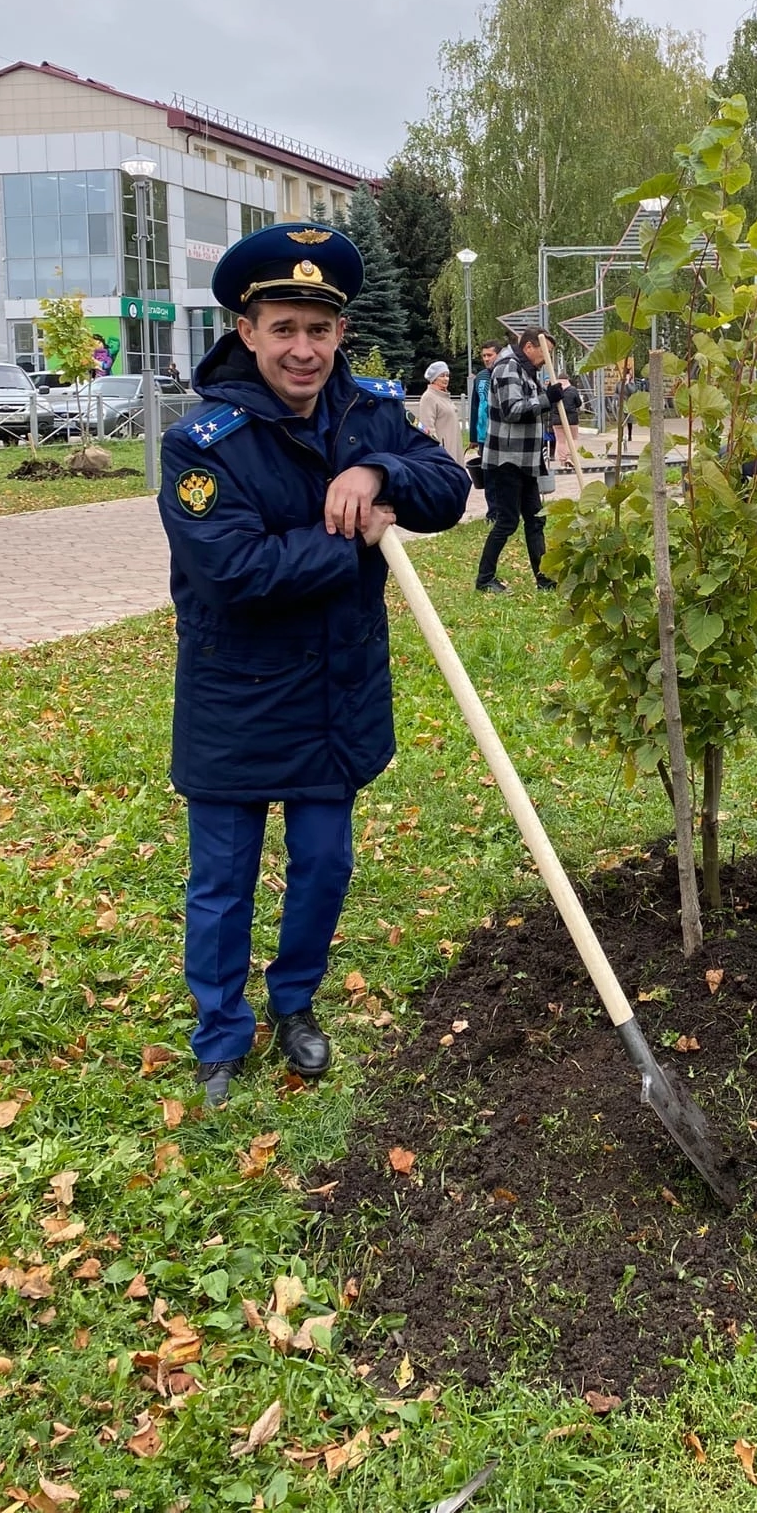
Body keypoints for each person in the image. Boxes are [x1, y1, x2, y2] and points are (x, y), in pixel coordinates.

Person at [158, 223, 470, 1108]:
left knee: (325, 864)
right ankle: (219, 1035)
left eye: (319, 330)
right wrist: (356, 545)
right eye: (284, 328)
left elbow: (446, 487)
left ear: (340, 335)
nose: (304, 350)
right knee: (222, 881)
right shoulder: (201, 445)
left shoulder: (368, 409)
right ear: (247, 331)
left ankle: (294, 1002)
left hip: (338, 691)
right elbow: (236, 572)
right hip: (238, 696)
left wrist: (375, 470)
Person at [475, 328, 568, 595]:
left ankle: (545, 580)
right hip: (507, 458)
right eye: (545, 354)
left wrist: (546, 396)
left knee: (536, 519)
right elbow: (512, 410)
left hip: (525, 459)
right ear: (529, 347)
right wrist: (546, 399)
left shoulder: (526, 370)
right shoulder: (508, 367)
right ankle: (485, 579)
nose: (546, 360)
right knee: (507, 520)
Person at [417, 360, 462, 463]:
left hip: (453, 446)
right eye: (442, 375)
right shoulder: (429, 397)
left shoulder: (444, 395)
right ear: (433, 378)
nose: (446, 379)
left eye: (447, 375)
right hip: (443, 452)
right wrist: (438, 450)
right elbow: (427, 428)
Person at [471, 340, 500, 453]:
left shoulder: (505, 374)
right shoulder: (480, 377)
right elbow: (475, 406)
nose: (486, 359)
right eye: (484, 355)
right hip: (482, 436)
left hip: (499, 435)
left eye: (490, 355)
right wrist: (473, 437)